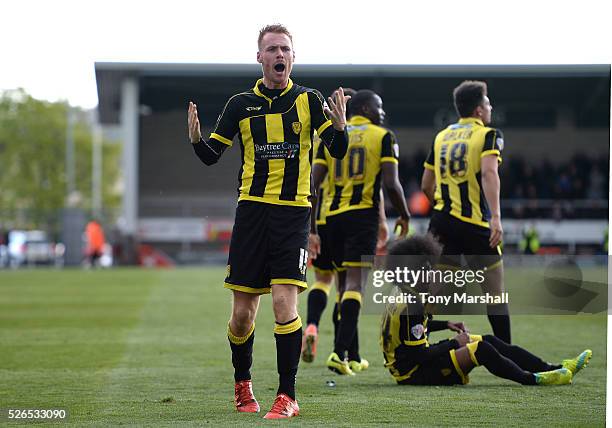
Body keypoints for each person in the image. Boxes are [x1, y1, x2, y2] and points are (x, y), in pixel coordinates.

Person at [187, 24, 349, 419]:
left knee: (282, 302)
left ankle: (287, 395)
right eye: (272, 49)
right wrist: (195, 139)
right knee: (242, 315)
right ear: (260, 57)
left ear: (293, 57)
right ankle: (243, 386)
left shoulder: (309, 100)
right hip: (252, 212)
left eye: (286, 49)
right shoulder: (240, 104)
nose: (280, 54)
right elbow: (212, 155)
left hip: (293, 213)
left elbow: (338, 150)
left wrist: (342, 125)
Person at [380, 235, 592, 386]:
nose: (433, 276)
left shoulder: (402, 293)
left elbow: (409, 331)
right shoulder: (413, 305)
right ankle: (534, 379)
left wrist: (445, 325)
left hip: (411, 363)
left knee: (489, 339)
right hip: (413, 373)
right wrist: (454, 343)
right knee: (481, 349)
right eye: (429, 271)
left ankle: (552, 367)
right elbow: (419, 354)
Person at [310, 89, 410, 375]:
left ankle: (352, 355)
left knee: (341, 288)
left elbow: (313, 187)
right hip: (361, 216)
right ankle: (339, 354)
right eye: (378, 107)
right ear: (365, 108)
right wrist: (403, 213)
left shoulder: (329, 135)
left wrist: (313, 228)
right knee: (355, 286)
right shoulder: (383, 136)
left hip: (330, 218)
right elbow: (391, 184)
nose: (382, 113)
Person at [421, 80, 511, 343]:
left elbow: (426, 184)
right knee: (494, 294)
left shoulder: (441, 137)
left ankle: (415, 344)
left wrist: (442, 205)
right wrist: (495, 216)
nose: (490, 106)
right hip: (474, 224)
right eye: (488, 102)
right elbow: (488, 172)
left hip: (441, 223)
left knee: (431, 294)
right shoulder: (489, 135)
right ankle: (508, 352)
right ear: (479, 111)